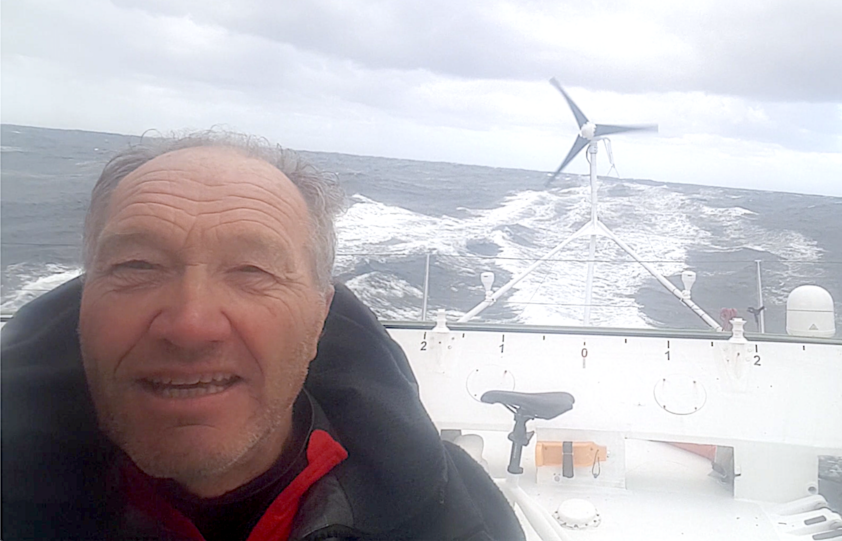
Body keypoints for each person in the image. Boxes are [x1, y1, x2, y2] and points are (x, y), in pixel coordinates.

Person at [1, 133, 524, 540]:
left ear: (319, 316)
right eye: (136, 264)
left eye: (253, 271)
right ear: (83, 304)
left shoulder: (453, 513)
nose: (190, 325)